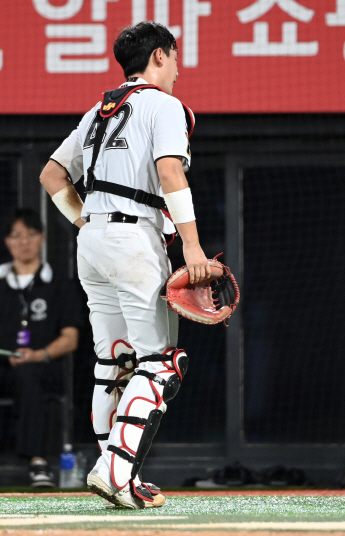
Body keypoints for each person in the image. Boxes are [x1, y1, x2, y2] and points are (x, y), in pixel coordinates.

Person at [39, 21, 209, 509]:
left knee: (113, 360)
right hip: (134, 237)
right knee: (160, 364)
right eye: (175, 57)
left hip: (91, 239)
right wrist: (193, 248)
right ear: (159, 56)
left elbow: (52, 174)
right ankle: (115, 470)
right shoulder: (165, 105)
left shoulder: (99, 109)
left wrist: (83, 222)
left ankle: (118, 472)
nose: (178, 68)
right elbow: (170, 171)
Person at [0, 208, 81, 487]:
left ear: (42, 239)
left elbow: (70, 338)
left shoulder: (59, 284)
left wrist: (37, 355)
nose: (24, 242)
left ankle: (38, 463)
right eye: (16, 236)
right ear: (7, 242)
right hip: (3, 368)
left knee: (30, 375)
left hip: (43, 368)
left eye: (31, 235)